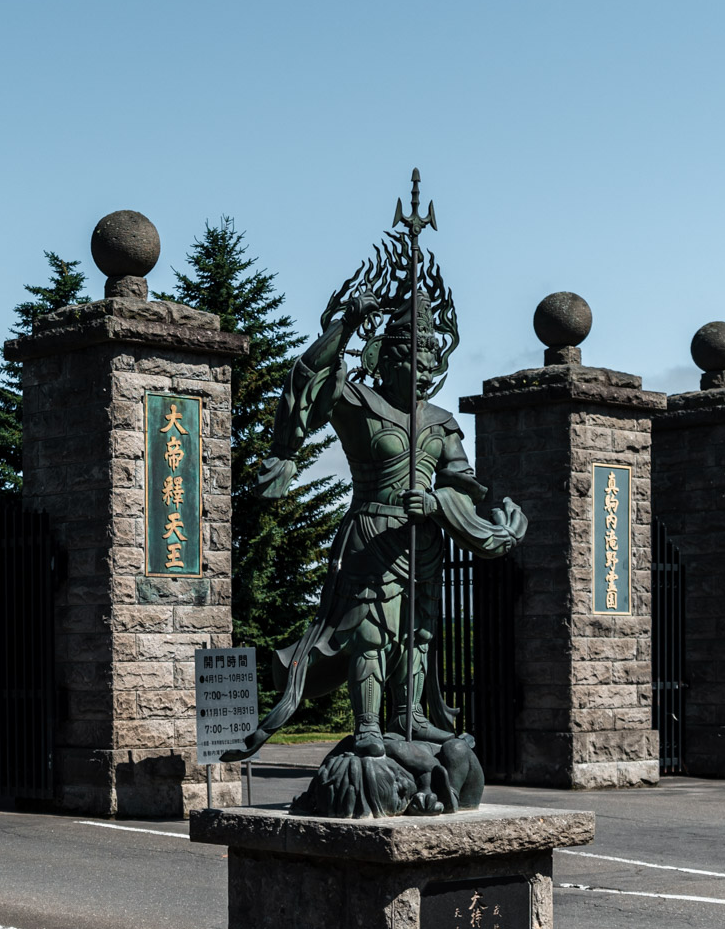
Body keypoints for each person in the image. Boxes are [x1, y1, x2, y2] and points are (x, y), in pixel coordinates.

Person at [225, 269, 525, 816]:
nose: (423, 365)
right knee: (369, 634)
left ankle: (408, 715)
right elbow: (307, 379)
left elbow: (462, 482)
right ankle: (366, 725)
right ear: (386, 356)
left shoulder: (440, 422)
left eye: (431, 356)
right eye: (412, 353)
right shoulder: (357, 402)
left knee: (419, 634)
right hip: (371, 535)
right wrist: (347, 325)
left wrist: (442, 505)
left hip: (424, 540)